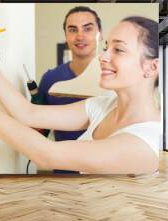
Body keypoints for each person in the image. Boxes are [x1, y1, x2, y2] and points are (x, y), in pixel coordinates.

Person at [0, 16, 161, 174]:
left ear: (151, 68)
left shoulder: (142, 144)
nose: (103, 56)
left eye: (119, 50)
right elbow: (27, 112)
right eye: (106, 47)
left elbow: (46, 155)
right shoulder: (105, 105)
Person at [38, 6, 103, 174]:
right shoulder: (50, 79)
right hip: (64, 173)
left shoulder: (117, 78)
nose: (80, 36)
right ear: (66, 36)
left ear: (100, 34)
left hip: (106, 173)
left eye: (88, 28)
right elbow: (40, 129)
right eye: (73, 30)